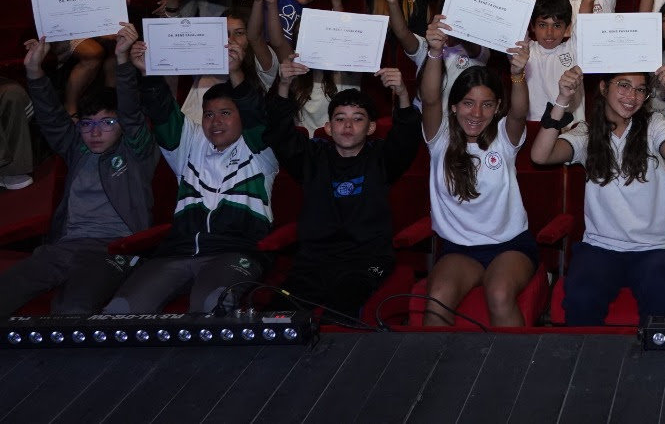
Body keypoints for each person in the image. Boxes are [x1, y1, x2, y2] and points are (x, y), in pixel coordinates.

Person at [105, 27, 279, 314]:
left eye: (226, 113)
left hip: (235, 251)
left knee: (210, 306)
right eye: (209, 114)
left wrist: (236, 72)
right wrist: (148, 71)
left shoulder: (261, 149)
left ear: (241, 117)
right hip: (178, 252)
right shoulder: (189, 142)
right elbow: (161, 109)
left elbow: (254, 112)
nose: (215, 122)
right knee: (120, 310)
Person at [0, 29, 157, 316]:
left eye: (107, 123)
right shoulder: (77, 148)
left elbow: (131, 113)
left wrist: (123, 60)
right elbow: (51, 118)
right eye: (87, 124)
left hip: (113, 249)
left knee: (71, 307)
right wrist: (34, 71)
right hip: (65, 247)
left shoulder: (136, 152)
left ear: (122, 126)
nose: (95, 132)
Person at [532, 64, 665, 325]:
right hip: (601, 248)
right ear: (604, 87)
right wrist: (562, 99)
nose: (632, 96)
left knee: (663, 296)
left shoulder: (653, 124)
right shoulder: (586, 132)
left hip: (654, 248)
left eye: (640, 90)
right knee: (581, 299)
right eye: (624, 85)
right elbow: (540, 156)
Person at [263, 62, 422, 318]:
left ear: (371, 127)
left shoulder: (382, 158)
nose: (348, 125)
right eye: (340, 119)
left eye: (357, 119)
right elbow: (280, 134)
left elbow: (406, 137)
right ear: (328, 127)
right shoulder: (312, 158)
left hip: (367, 261)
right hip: (313, 262)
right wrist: (283, 85)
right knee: (276, 316)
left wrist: (403, 93)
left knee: (340, 310)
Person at [418, 16, 536, 328]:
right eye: (468, 103)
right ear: (453, 106)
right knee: (437, 297)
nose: (476, 113)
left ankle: (516, 362)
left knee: (499, 293)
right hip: (459, 249)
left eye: (486, 105)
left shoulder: (504, 139)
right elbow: (430, 98)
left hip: (510, 245)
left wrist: (517, 74)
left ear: (497, 108)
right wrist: (434, 52)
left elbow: (519, 113)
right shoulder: (439, 139)